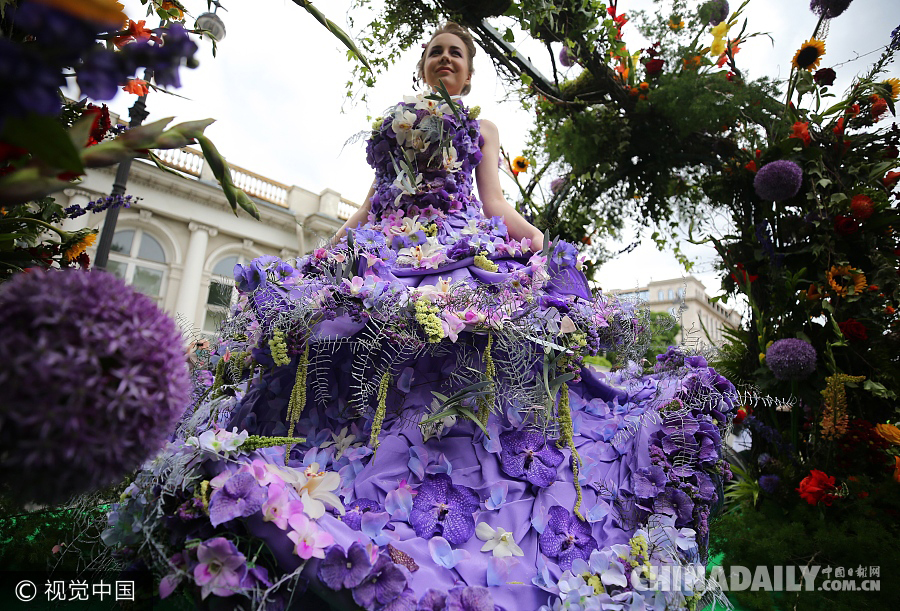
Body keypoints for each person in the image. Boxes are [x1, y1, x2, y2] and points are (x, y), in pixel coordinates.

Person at [161, 22, 735, 611]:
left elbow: (493, 202)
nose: (444, 59)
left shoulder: (480, 127)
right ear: (422, 66)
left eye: (455, 53)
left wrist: (535, 238)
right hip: (388, 251)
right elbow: (370, 204)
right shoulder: (396, 122)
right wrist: (324, 254)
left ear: (469, 70)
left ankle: (465, 479)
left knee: (474, 341)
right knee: (352, 332)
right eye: (435, 51)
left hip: (461, 249)